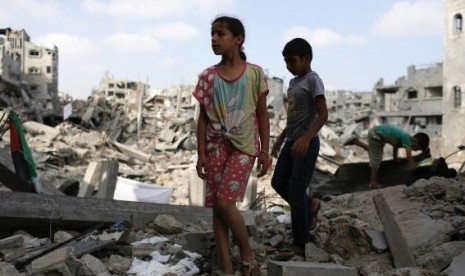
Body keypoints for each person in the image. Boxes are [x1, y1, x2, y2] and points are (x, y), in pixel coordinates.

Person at [193, 15, 269, 276]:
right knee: (217, 209)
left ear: (238, 39)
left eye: (220, 34)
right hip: (215, 147)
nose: (214, 39)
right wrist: (201, 152)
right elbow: (202, 117)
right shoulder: (207, 77)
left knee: (226, 204)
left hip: (245, 146)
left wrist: (265, 150)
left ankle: (247, 256)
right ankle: (227, 269)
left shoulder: (255, 74)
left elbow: (262, 114)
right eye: (212, 34)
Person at [271, 38, 328, 257]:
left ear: (307, 58)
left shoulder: (314, 80)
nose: (289, 65)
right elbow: (292, 117)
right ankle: (310, 205)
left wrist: (306, 139)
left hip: (307, 143)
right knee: (278, 182)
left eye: (293, 61)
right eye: (285, 61)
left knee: (295, 190)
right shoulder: (293, 83)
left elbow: (323, 114)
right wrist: (280, 139)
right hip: (290, 142)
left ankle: (301, 243)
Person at [343, 124, 430, 188]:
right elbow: (409, 157)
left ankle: (356, 142)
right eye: (417, 148)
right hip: (376, 135)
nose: (415, 150)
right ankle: (373, 183)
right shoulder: (407, 140)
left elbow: (396, 146)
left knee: (374, 152)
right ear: (415, 141)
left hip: (378, 134)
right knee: (376, 160)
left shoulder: (405, 140)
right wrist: (412, 167)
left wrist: (395, 158)